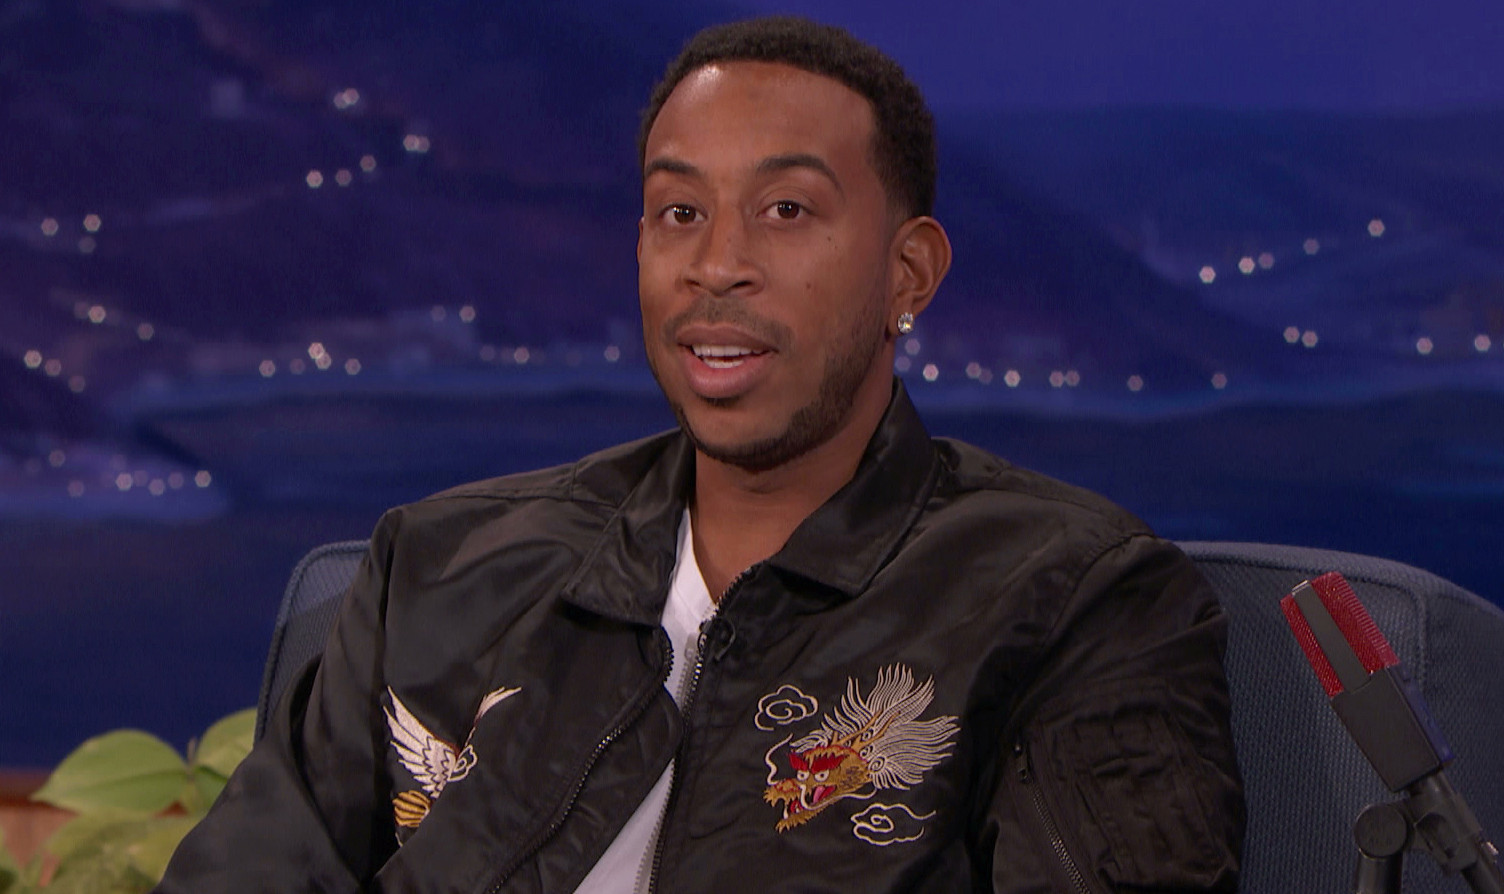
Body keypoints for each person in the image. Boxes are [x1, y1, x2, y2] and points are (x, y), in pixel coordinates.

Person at [158, 16, 1242, 893]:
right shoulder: (437, 570)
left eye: (785, 209)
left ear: (907, 274)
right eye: (679, 211)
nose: (717, 264)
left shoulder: (1070, 601)